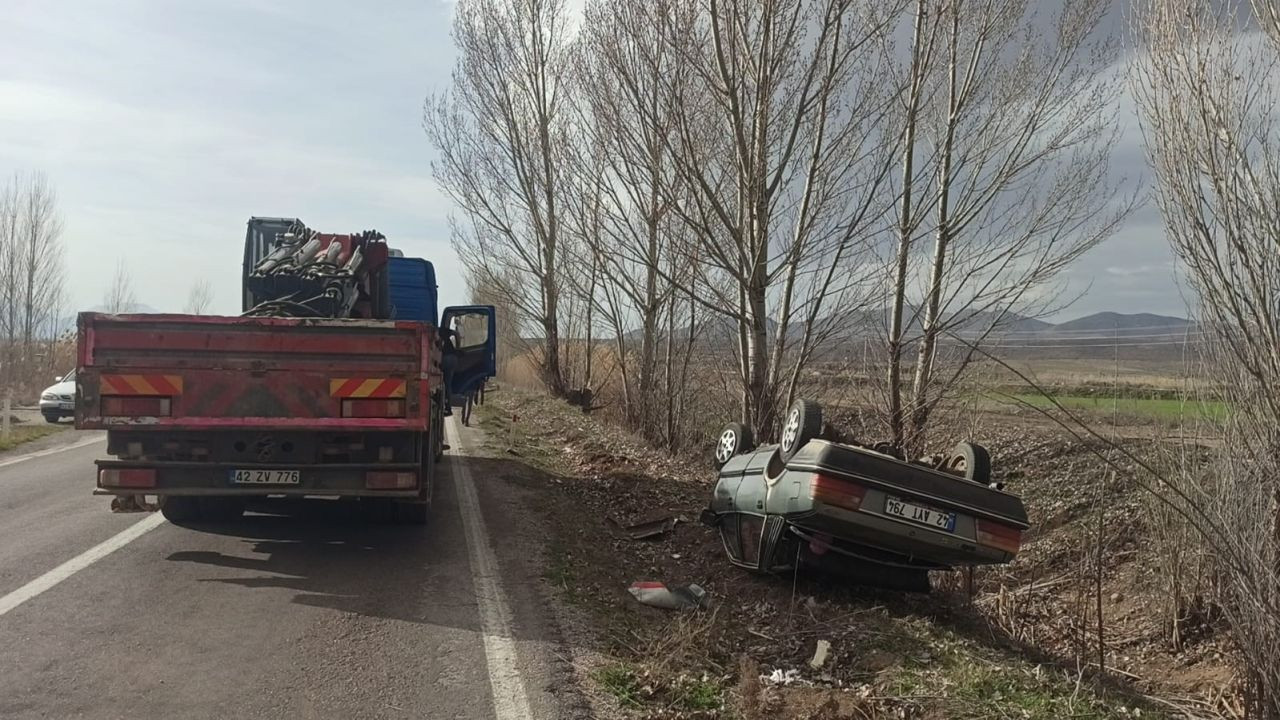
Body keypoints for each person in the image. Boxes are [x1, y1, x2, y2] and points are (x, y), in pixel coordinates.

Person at [440, 326, 457, 417]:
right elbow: (456, 333)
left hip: (446, 358)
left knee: (442, 382)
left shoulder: (438, 332)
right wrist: (458, 346)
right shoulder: (446, 332)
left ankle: (445, 404)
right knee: (448, 384)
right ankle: (448, 407)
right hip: (453, 358)